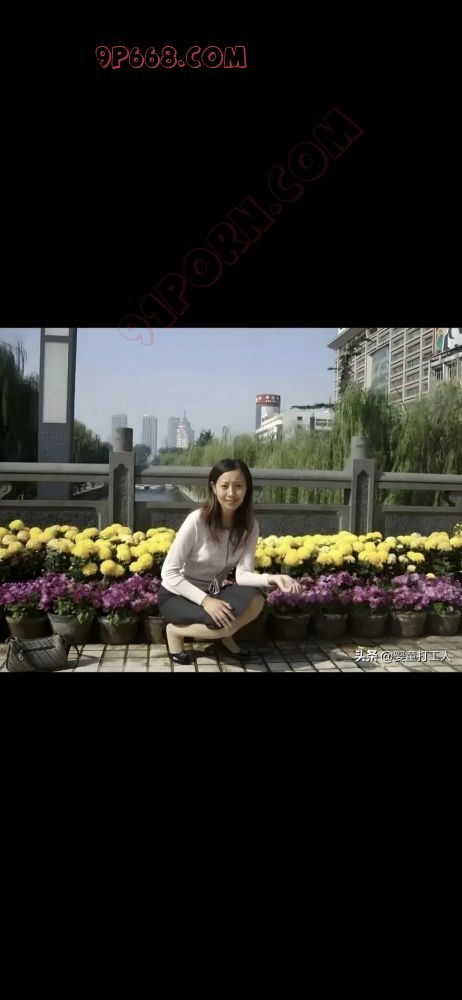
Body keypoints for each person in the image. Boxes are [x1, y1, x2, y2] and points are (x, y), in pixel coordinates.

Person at [158, 458, 302, 665]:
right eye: (224, 486)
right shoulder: (197, 521)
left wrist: (274, 578)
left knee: (256, 600)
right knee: (221, 622)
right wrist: (206, 601)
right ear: (213, 487)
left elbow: (242, 575)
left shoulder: (249, 526)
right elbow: (169, 573)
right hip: (176, 595)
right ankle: (175, 632)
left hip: (213, 593)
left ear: (247, 489)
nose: (231, 493)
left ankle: (225, 633)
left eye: (238, 486)